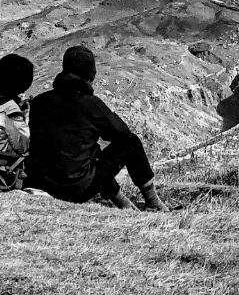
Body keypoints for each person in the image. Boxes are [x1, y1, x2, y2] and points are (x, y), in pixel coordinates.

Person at [25, 45, 167, 210]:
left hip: (41, 183)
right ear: (91, 75)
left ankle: (126, 206)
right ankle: (154, 203)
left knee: (88, 156)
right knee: (131, 143)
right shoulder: (90, 104)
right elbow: (123, 134)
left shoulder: (39, 102)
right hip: (76, 189)